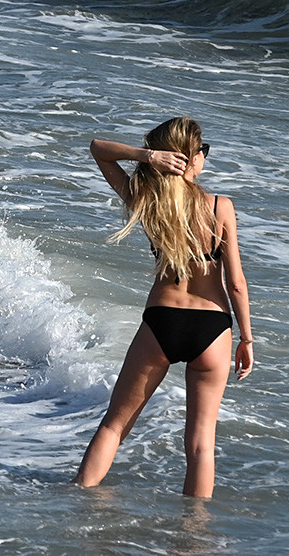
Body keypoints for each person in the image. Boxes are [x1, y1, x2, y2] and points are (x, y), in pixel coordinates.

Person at [73, 117, 253, 498]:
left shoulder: (148, 200)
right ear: (190, 158)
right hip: (213, 328)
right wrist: (247, 339)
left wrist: (146, 157)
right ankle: (192, 535)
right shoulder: (221, 206)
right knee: (201, 444)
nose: (204, 158)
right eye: (203, 151)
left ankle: (77, 503)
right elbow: (236, 282)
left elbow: (98, 150)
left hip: (161, 321)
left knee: (114, 426)